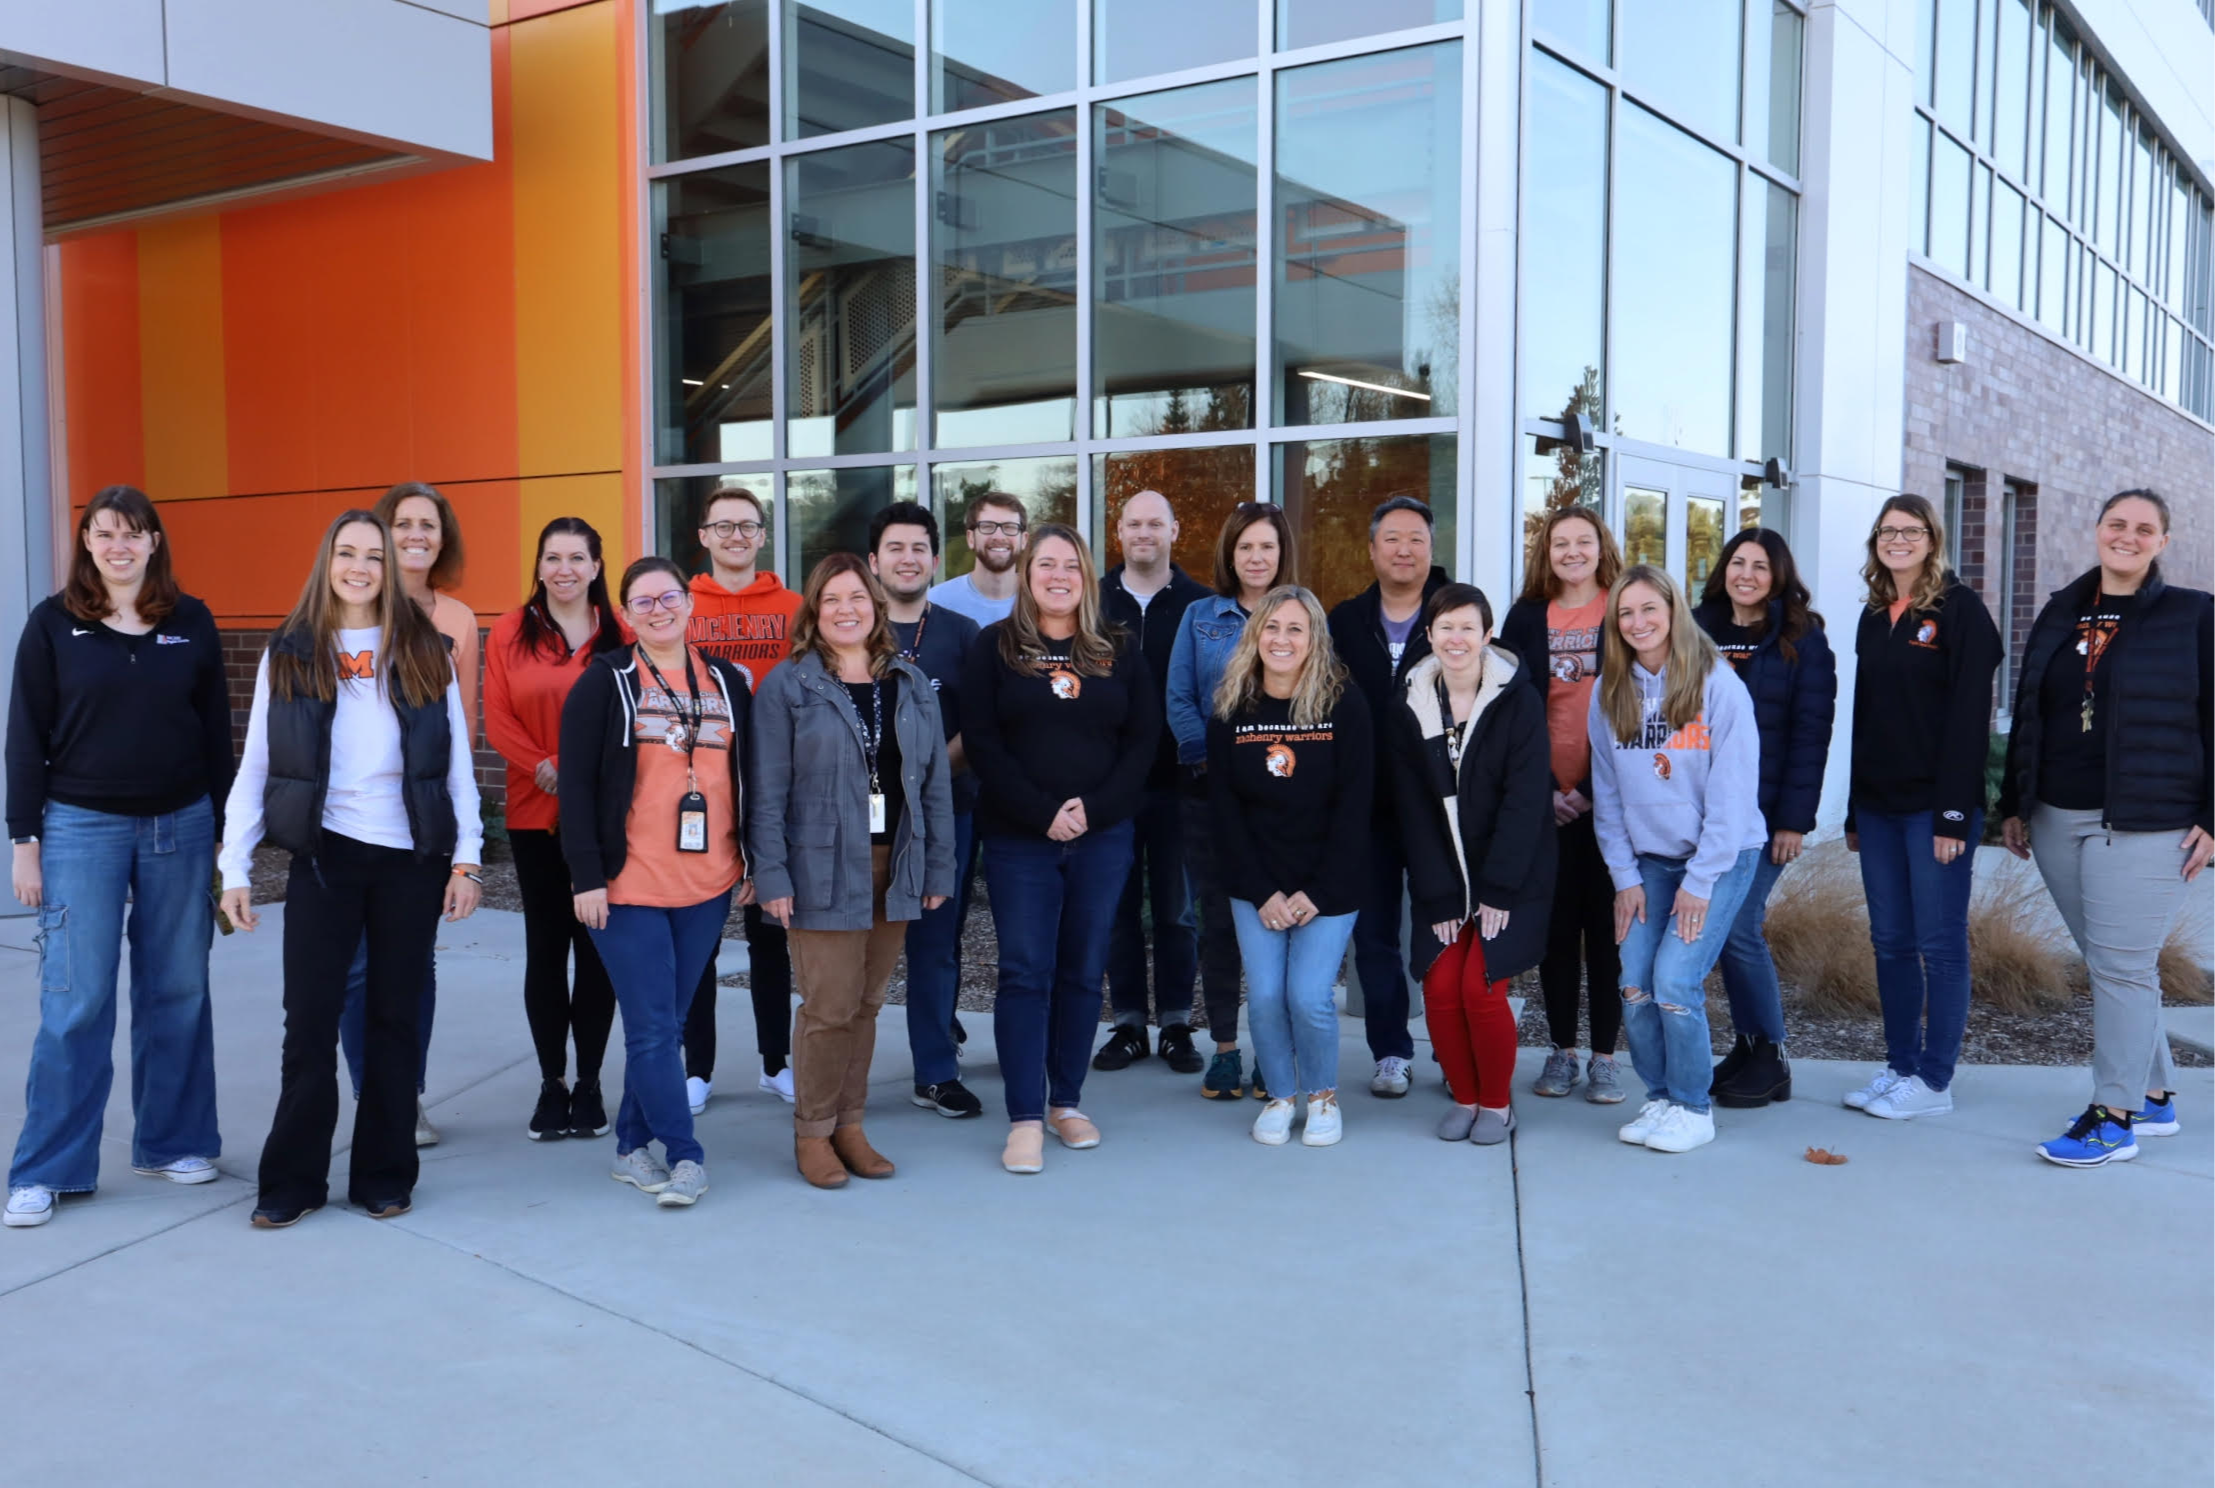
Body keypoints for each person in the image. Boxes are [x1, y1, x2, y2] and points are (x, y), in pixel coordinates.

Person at [218, 510, 483, 1227]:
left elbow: (456, 761)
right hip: (325, 857)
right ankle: (294, 1181)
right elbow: (257, 765)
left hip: (408, 862)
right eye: (347, 553)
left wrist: (468, 860)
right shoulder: (293, 650)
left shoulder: (424, 647)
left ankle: (384, 1174)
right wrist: (233, 866)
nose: (361, 566)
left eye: (374, 554)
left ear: (390, 566)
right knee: (307, 1022)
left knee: (393, 1021)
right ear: (327, 561)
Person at [4, 488, 233, 1231]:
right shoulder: (52, 624)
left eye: (134, 534)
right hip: (80, 830)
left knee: (179, 991)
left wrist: (230, 836)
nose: (119, 545)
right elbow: (24, 738)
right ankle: (47, 1168)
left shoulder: (191, 622)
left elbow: (216, 736)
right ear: (87, 543)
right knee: (76, 1001)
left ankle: (173, 1142)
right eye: (105, 534)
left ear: (155, 543)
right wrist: (25, 843)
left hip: (182, 826)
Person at [2000, 490, 2215, 1167]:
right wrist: (2014, 801)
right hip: (2055, 814)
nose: (2126, 536)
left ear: (2162, 542)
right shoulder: (2061, 610)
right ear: (2096, 531)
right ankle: (2151, 1096)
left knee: (2121, 968)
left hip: (2147, 820)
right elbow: (2031, 708)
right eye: (2115, 524)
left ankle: (2111, 1113)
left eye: (2142, 529)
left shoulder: (2192, 615)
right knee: (2111, 964)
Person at [751, 554, 955, 1187]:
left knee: (866, 1006)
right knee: (828, 1006)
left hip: (896, 864)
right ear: (815, 610)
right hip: (819, 867)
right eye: (833, 598)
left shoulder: (910, 683)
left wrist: (939, 866)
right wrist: (773, 875)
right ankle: (812, 1131)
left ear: (876, 606)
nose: (847, 609)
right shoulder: (788, 685)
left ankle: (850, 1123)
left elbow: (934, 787)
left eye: (858, 598)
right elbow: (764, 790)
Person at [559, 558, 753, 1210]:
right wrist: (586, 877)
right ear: (625, 612)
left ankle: (628, 1147)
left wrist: (751, 859)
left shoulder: (727, 681)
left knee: (665, 1023)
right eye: (642, 601)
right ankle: (686, 1154)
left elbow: (746, 776)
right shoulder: (603, 683)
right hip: (628, 886)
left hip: (708, 882)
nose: (658, 608)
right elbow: (578, 791)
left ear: (688, 602)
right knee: (652, 1031)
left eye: (668, 596)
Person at [962, 525, 1158, 1174]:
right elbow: (984, 744)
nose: (1057, 575)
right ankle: (1024, 1115)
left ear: (1086, 576)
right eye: (1044, 563)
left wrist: (1092, 810)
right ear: (1025, 573)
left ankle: (1065, 1103)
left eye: (1070, 565)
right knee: (1024, 972)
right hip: (1022, 839)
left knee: (1081, 971)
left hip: (1101, 838)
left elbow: (1141, 745)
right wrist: (1042, 812)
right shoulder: (994, 648)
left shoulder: (1118, 649)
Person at [1588, 565, 1764, 1155]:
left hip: (1720, 855)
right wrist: (1624, 878)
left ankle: (1694, 1105)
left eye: (1648, 609)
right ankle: (1661, 1096)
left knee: (1673, 980)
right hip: (1648, 862)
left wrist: (1701, 881)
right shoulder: (1609, 689)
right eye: (1625, 613)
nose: (1637, 623)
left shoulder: (1717, 683)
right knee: (1634, 982)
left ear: (1673, 612)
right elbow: (1607, 795)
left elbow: (1733, 796)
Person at [329, 481, 479, 1148]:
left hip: (424, 821)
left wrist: (463, 841)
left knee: (415, 965)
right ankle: (371, 1091)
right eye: (404, 522)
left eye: (429, 524)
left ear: (442, 539)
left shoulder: (458, 621)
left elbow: (460, 736)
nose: (416, 533)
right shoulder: (338, 613)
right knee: (358, 968)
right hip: (348, 824)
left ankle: (406, 1095)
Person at [1843, 494, 2001, 1120]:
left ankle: (1935, 1082)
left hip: (1933, 810)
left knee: (1940, 945)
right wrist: (1855, 810)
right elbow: (1865, 719)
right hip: (1879, 809)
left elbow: (1970, 721)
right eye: (1888, 531)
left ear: (1932, 539)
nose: (1898, 540)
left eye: (1911, 531)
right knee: (1890, 942)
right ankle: (1900, 1065)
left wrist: (1954, 814)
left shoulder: (1961, 612)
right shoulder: (1875, 614)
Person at [1391, 584, 1554, 1148]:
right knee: (1439, 986)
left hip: (1510, 876)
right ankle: (1464, 1095)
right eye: (1445, 627)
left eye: (1467, 627)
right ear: (1429, 635)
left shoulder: (1517, 700)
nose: (1456, 638)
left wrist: (1500, 891)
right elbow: (1410, 807)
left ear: (1487, 635)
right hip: (1444, 879)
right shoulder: (1411, 699)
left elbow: (1526, 802)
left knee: (1481, 989)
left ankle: (1496, 1103)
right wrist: (1436, 894)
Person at [1208, 586, 1371, 1147]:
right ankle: (1280, 1095)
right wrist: (1262, 892)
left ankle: (1322, 1096)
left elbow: (1356, 808)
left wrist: (1317, 892)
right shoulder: (1233, 707)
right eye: (1271, 627)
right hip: (1257, 884)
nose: (1282, 639)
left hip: (1329, 882)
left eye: (1295, 629)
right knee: (1268, 997)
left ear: (1314, 639)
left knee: (1307, 995)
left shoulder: (1343, 703)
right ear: (1256, 636)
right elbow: (1224, 813)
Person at [483, 517, 627, 1141]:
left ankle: (591, 1083)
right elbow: (496, 717)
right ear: (538, 567)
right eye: (552, 557)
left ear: (597, 566)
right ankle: (552, 1084)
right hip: (533, 813)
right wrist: (542, 766)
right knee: (547, 951)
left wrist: (570, 770)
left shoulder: (621, 631)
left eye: (577, 557)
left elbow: (631, 718)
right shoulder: (511, 632)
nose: (564, 569)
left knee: (597, 953)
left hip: (603, 816)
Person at [1691, 528, 1836, 1109]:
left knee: (1739, 925)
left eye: (1759, 565)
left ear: (1778, 575)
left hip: (1766, 814)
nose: (1746, 574)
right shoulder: (1696, 628)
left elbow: (1811, 734)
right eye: (1737, 563)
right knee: (1725, 931)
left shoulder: (1803, 638)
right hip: (1703, 814)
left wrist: (1793, 821)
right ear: (1723, 569)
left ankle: (1772, 1056)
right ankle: (1749, 1047)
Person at [1164, 502, 1297, 1097]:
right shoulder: (1199, 617)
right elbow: (1179, 701)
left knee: (1281, 925)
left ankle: (1274, 1054)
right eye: (1245, 547)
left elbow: (1317, 699)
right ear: (1230, 554)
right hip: (1209, 796)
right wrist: (1216, 763)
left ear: (1281, 553)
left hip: (1284, 801)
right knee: (1217, 923)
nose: (1256, 557)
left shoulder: (1300, 616)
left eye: (1266, 546)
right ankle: (1224, 1048)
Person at [1498, 506, 1627, 1104]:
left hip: (1614, 802)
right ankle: (1561, 1051)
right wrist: (1547, 790)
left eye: (1583, 541)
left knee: (1606, 932)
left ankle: (1604, 1056)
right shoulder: (1526, 617)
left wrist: (1592, 793)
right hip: (1544, 802)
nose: (1572, 552)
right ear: (1544, 553)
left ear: (1602, 547)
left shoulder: (1626, 607)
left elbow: (1640, 709)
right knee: (1555, 931)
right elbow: (1509, 710)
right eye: (1559, 543)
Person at [867, 501, 987, 1119]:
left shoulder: (961, 634)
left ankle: (935, 1071)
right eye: (895, 548)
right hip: (862, 822)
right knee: (853, 945)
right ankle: (837, 1075)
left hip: (945, 816)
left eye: (919, 548)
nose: (908, 558)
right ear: (874, 561)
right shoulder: (850, 630)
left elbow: (980, 723)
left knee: (936, 944)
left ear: (936, 560)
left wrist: (929, 776)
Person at [1327, 494, 1449, 1098]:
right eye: (1392, 538)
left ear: (1432, 549)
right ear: (1372, 549)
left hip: (1438, 806)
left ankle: (1454, 1052)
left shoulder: (1458, 614)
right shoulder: (1344, 621)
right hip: (1366, 808)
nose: (1404, 549)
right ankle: (1391, 1052)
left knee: (1445, 931)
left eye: (1416, 539)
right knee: (1374, 937)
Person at [684, 483, 800, 1114]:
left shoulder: (792, 607)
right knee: (698, 937)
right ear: (703, 536)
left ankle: (775, 1062)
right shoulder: (682, 605)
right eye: (722, 526)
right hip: (696, 791)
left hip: (772, 788)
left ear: (762, 535)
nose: (735, 536)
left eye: (746, 526)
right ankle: (696, 1067)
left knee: (771, 934)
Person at [1096, 489, 1208, 1075]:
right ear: (1119, 532)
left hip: (1179, 783)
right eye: (1134, 523)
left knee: (1176, 911)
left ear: (1174, 530)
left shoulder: (1201, 605)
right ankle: (1129, 1024)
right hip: (1109, 786)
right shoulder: (1092, 601)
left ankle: (1176, 1024)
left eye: (1155, 524)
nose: (1144, 533)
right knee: (1115, 909)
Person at [927, 490, 1028, 628]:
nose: (999, 536)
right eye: (987, 526)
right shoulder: (935, 602)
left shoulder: (1040, 601)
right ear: (970, 538)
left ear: (1024, 540)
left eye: (1010, 527)